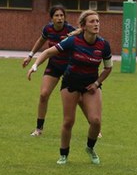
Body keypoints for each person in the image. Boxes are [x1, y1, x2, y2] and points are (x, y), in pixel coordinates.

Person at [29, 10, 113, 165]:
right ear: (83, 25)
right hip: (70, 84)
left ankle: (90, 148)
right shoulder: (73, 41)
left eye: (97, 21)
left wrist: (96, 83)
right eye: (92, 21)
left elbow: (108, 68)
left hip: (91, 86)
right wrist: (34, 65)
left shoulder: (103, 45)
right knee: (68, 121)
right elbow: (47, 52)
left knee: (95, 121)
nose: (96, 24)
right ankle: (64, 155)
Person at [21, 5, 76, 137]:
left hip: (70, 66)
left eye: (62, 15)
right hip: (54, 65)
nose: (59, 18)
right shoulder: (48, 29)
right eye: (56, 15)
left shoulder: (70, 30)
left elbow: (83, 36)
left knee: (79, 98)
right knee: (44, 94)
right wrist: (30, 55)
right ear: (51, 18)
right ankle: (39, 129)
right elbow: (41, 40)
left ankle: (96, 127)